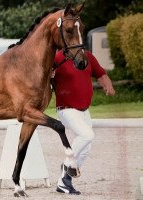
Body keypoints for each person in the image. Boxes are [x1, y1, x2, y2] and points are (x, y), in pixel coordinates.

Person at [52, 50, 115, 195]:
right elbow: (45, 73)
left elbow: (100, 73)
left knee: (86, 148)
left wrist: (108, 85)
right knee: (87, 135)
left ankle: (66, 174)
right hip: (66, 109)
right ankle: (64, 178)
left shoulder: (87, 56)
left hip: (84, 110)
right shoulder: (57, 57)